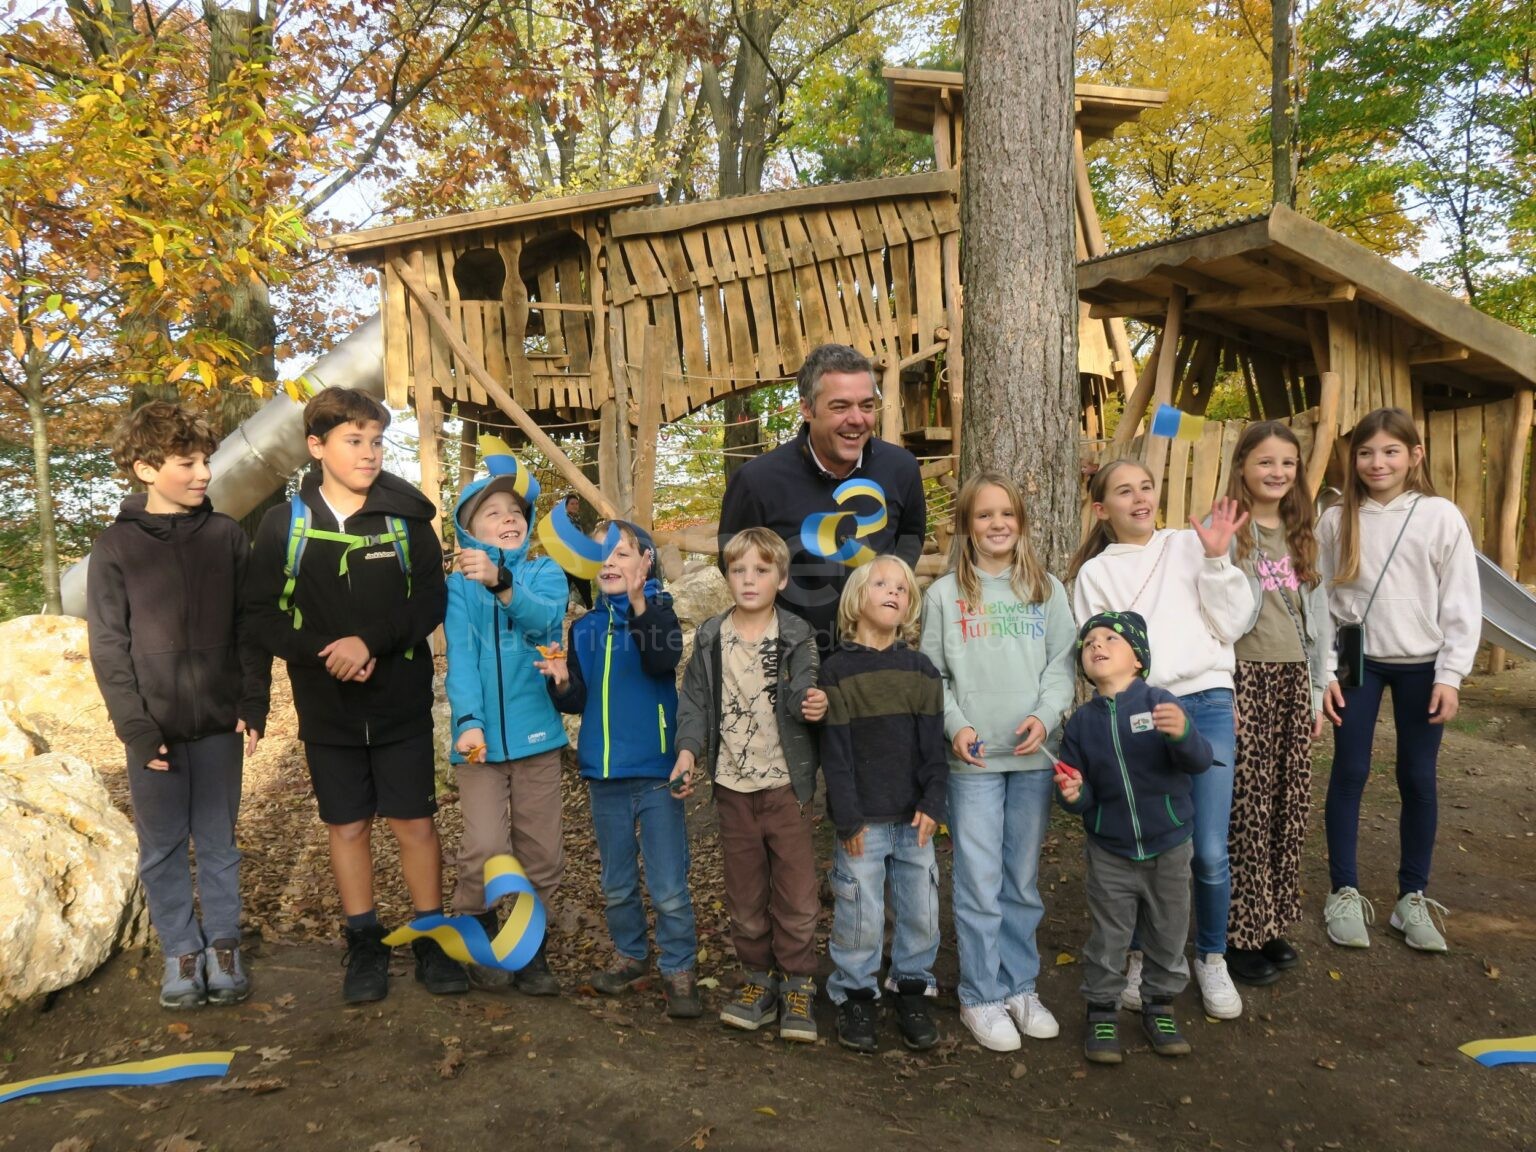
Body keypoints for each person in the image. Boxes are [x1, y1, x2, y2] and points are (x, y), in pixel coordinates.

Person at [246, 386, 467, 1004]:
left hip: (400, 701)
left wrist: (368, 642)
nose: (369, 452)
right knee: (346, 826)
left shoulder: (408, 519)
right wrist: (329, 652)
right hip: (327, 707)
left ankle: (430, 936)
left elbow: (430, 602)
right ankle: (364, 942)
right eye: (354, 440)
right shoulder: (285, 525)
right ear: (316, 447)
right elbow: (260, 616)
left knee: (415, 821)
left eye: (376, 441)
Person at [87, 402, 270, 1010]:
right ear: (145, 468)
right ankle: (182, 954)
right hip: (154, 732)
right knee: (162, 846)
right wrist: (136, 728)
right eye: (187, 463)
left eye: (205, 461)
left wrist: (253, 700)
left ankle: (223, 947)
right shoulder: (115, 547)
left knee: (218, 843)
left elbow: (249, 626)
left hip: (219, 723)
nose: (203, 474)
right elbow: (108, 645)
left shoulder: (226, 537)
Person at [1069, 459, 1255, 1017]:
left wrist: (1218, 558)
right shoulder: (1095, 574)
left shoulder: (1190, 544)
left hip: (1206, 701)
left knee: (1208, 848)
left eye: (1146, 487)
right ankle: (1138, 956)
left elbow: (1233, 623)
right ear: (1101, 509)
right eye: (1124, 491)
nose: (1139, 498)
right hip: (1138, 709)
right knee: (1142, 836)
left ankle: (1212, 956)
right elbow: (1101, 652)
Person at [919, 471, 1077, 1052]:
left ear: (1022, 522)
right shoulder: (943, 596)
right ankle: (980, 994)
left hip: (1032, 757)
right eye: (984, 515)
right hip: (976, 762)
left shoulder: (1046, 589)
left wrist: (1047, 714)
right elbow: (932, 675)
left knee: (1021, 881)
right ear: (966, 525)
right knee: (980, 880)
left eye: (1006, 513)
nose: (997, 524)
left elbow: (1062, 664)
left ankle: (1019, 985)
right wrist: (956, 725)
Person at [1317, 407, 1479, 953]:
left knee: (1417, 777)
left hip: (1423, 665)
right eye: (1366, 452)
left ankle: (1412, 897)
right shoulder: (1336, 520)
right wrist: (1324, 672)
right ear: (1353, 459)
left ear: (1415, 455)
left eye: (1390, 451)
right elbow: (1318, 600)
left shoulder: (1440, 516)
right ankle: (1343, 891)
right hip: (1356, 663)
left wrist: (1451, 674)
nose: (1377, 462)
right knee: (1350, 771)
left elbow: (1461, 599)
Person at [670, 527, 828, 1041]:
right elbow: (695, 702)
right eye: (738, 570)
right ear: (727, 577)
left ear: (780, 578)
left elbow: (805, 687)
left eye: (761, 570)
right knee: (745, 896)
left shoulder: (797, 633)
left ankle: (798, 982)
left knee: (797, 896)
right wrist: (688, 752)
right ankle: (758, 979)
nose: (749, 579)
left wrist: (813, 703)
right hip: (733, 790)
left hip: (786, 789)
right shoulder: (711, 636)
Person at [539, 521, 702, 1018]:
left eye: (622, 553)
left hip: (656, 772)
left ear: (646, 563)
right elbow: (577, 699)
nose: (609, 562)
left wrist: (637, 605)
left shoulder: (659, 614)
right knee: (616, 883)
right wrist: (561, 682)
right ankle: (631, 956)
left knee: (668, 884)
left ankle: (678, 966)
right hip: (604, 776)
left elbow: (662, 659)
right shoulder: (585, 628)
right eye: (602, 555)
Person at [1054, 611, 1214, 1065]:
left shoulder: (1161, 703)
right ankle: (1102, 1011)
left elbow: (1199, 760)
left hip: (1169, 846)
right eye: (1089, 642)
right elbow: (1079, 794)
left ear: (1138, 658)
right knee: (1109, 937)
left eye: (1110, 638)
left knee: (1168, 933)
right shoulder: (1080, 724)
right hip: (1110, 851)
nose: (1097, 645)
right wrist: (1073, 794)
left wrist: (1183, 734)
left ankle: (1159, 1007)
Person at [444, 466, 569, 995]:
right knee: (485, 846)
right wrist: (468, 723)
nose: (508, 519)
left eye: (515, 512)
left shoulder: (544, 573)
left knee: (542, 851)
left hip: (538, 738)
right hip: (479, 745)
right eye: (493, 513)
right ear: (470, 529)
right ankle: (477, 932)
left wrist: (502, 582)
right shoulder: (458, 587)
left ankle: (531, 947)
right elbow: (461, 658)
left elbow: (544, 623)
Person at [718, 343, 926, 655]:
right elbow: (733, 561)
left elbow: (910, 537)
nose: (857, 419)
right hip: (790, 662)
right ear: (807, 408)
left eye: (867, 406)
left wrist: (884, 598)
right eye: (840, 407)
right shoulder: (756, 482)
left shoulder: (902, 469)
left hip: (876, 659)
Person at [819, 556, 948, 1054]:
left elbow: (933, 750)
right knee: (861, 915)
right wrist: (848, 816)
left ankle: (911, 988)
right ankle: (855, 994)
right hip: (863, 824)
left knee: (922, 911)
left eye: (902, 587)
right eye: (881, 584)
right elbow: (836, 755)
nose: (894, 592)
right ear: (857, 599)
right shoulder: (837, 672)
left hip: (914, 819)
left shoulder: (921, 671)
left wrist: (933, 802)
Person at [1221, 423, 1330, 982]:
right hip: (1246, 681)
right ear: (1242, 465)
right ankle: (1237, 933)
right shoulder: (1226, 533)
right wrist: (1223, 689)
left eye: (1288, 463)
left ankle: (1272, 923)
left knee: (1289, 808)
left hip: (1292, 681)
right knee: (1247, 810)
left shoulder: (1302, 534)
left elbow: (1321, 619)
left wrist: (1316, 692)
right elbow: (1209, 615)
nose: (1277, 472)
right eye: (1265, 461)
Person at [562, 494, 593, 609]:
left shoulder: (576, 520)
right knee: (565, 589)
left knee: (584, 587)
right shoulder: (564, 520)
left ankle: (590, 609)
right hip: (568, 560)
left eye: (577, 503)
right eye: (572, 504)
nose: (575, 506)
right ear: (566, 506)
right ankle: (589, 609)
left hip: (577, 559)